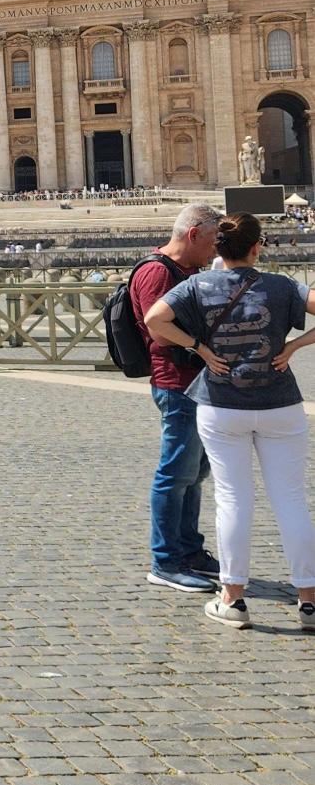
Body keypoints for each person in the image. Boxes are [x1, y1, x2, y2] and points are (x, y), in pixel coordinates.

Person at [146, 212, 315, 630]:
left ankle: (233, 599)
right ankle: (309, 602)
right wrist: (294, 346)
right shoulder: (280, 285)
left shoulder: (197, 285)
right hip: (280, 404)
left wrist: (200, 348)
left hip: (221, 405)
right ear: (258, 247)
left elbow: (154, 320)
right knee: (291, 500)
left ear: (217, 248)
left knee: (233, 500)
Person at [129, 202, 221, 593]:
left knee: (195, 472)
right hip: (176, 383)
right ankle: (165, 561)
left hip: (197, 382)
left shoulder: (189, 270)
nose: (218, 248)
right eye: (215, 240)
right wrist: (201, 343)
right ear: (194, 234)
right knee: (175, 474)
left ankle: (189, 550)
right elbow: (161, 332)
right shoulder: (156, 272)